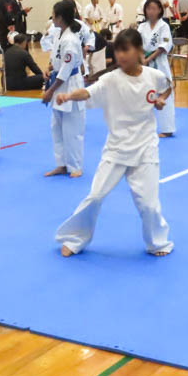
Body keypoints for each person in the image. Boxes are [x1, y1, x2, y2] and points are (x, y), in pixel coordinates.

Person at [53, 28, 174, 257]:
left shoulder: (153, 75)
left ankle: (157, 243)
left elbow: (168, 86)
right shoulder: (110, 80)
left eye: (125, 50)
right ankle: (75, 238)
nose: (120, 56)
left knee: (149, 205)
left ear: (139, 51)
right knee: (96, 195)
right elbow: (88, 93)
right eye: (117, 50)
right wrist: (68, 96)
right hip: (116, 149)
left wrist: (160, 99)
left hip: (145, 148)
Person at [43, 0, 86, 178]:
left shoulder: (70, 40)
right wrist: (49, 68)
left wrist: (50, 91)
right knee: (57, 127)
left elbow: (67, 70)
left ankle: (75, 166)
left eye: (53, 14)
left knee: (72, 129)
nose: (52, 18)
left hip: (70, 86)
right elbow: (57, 60)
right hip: (59, 83)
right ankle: (61, 164)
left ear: (60, 17)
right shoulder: (60, 34)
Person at [138, 0, 175, 137]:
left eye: (154, 9)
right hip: (144, 63)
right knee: (144, 93)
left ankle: (167, 128)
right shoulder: (142, 27)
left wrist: (148, 58)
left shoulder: (163, 26)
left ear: (160, 10)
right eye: (148, 9)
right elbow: (137, 44)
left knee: (165, 92)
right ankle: (143, 127)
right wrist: (141, 57)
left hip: (159, 62)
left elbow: (164, 46)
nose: (151, 12)